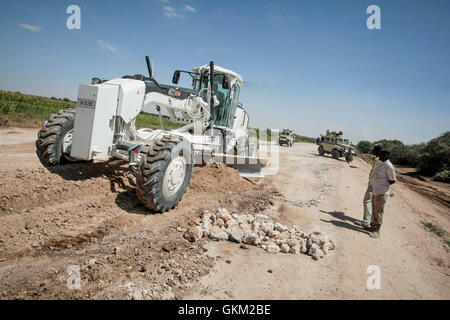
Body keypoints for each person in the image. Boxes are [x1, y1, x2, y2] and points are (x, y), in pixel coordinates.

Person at [368, 149, 396, 238]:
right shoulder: (382, 163)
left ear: (386, 156)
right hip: (376, 191)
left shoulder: (389, 166)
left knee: (379, 212)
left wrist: (383, 185)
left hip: (381, 192)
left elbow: (392, 180)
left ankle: (377, 231)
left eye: (380, 155)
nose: (379, 156)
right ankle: (372, 227)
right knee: (374, 211)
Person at [354, 143, 383, 228]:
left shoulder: (379, 160)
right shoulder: (379, 159)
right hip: (374, 185)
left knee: (367, 201)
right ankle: (368, 220)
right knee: (370, 202)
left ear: (377, 151)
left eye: (374, 150)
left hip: (373, 185)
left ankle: (366, 222)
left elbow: (376, 174)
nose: (373, 151)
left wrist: (372, 184)